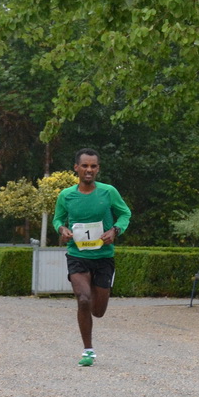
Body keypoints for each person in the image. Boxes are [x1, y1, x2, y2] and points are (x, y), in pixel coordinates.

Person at [52, 148, 132, 367]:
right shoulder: (66, 195)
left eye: (93, 166)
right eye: (85, 166)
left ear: (98, 169)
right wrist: (62, 230)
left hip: (104, 256)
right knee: (83, 299)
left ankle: (102, 290)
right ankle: (88, 350)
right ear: (76, 168)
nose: (89, 170)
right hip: (77, 255)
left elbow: (125, 213)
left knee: (98, 311)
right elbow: (57, 219)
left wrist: (115, 230)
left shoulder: (108, 192)